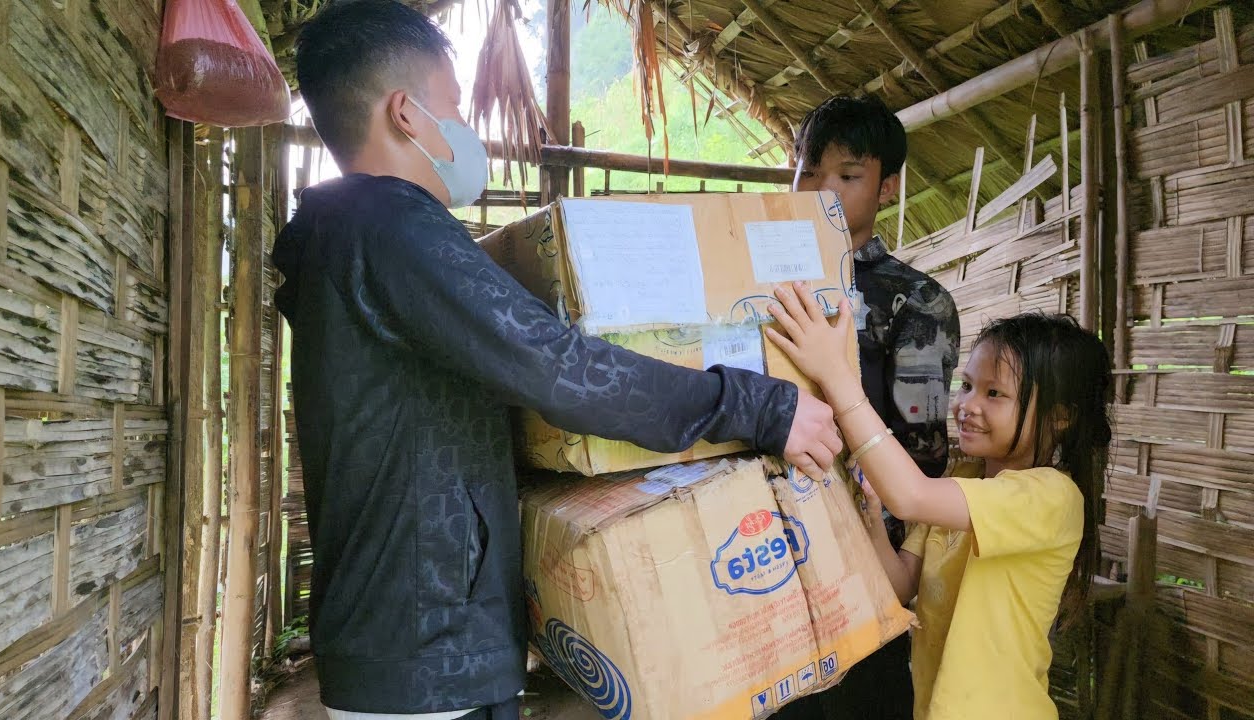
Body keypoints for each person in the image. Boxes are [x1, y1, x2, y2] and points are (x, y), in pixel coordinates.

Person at [273, 2, 844, 719]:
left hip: (412, 641)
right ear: (407, 115)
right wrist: (761, 405)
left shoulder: (349, 237)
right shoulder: (389, 228)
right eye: (454, 106)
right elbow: (560, 369)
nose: (465, 131)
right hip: (423, 653)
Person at [767, 283, 1111, 720]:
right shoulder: (963, 481)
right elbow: (901, 586)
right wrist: (873, 515)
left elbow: (910, 496)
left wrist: (835, 376)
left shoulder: (1051, 497)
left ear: (1060, 417)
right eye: (966, 385)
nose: (966, 405)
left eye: (994, 394)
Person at [777, 94, 960, 719]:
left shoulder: (917, 303)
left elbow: (923, 450)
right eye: (810, 169)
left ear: (886, 188)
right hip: (759, 545)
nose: (822, 191)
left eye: (849, 176)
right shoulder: (751, 281)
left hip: (861, 557)